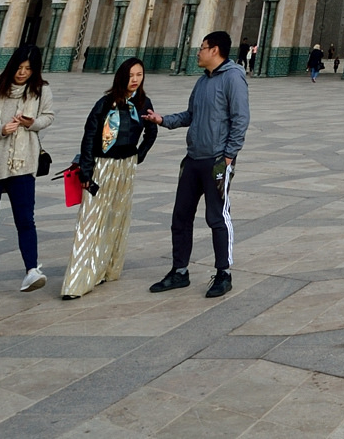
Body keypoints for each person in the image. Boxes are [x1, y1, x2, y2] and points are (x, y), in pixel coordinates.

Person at [144, 31, 248, 300]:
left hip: (217, 162)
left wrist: (228, 156)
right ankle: (180, 271)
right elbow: (191, 115)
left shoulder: (233, 78)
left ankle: (223, 273)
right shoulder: (203, 81)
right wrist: (163, 120)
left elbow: (240, 118)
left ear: (215, 50)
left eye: (202, 48)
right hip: (193, 160)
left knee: (217, 216)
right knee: (181, 216)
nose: (198, 53)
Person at [60, 58, 157, 299]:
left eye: (139, 75)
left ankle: (106, 268)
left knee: (116, 216)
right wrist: (86, 170)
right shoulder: (105, 103)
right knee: (90, 219)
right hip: (102, 165)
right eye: (131, 75)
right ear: (121, 76)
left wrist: (139, 154)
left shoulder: (143, 104)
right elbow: (89, 136)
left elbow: (151, 131)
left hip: (126, 167)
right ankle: (77, 282)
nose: (135, 80)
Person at [0, 48, 55, 299]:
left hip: (22, 164)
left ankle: (32, 270)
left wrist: (31, 123)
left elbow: (48, 117)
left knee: (25, 219)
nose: (22, 73)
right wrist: (1, 130)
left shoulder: (40, 91)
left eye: (28, 69)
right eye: (19, 68)